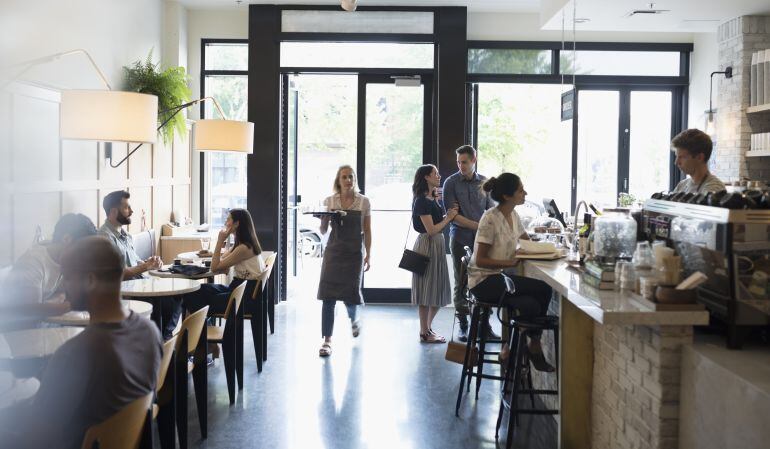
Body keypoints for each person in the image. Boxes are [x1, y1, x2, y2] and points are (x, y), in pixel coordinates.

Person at [1, 236, 162, 449]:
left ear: (90, 280)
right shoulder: (149, 332)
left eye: (67, 277)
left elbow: (36, 437)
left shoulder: (75, 354)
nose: (64, 287)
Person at [468, 173, 554, 372]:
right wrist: (510, 260)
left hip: (499, 277)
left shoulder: (514, 216)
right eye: (520, 190)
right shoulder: (490, 218)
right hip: (483, 281)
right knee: (543, 289)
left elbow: (526, 242)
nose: (525, 193)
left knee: (532, 304)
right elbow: (480, 260)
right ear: (507, 196)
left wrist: (548, 248)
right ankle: (531, 347)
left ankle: (512, 349)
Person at [98, 190, 179, 339]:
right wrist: (144, 267)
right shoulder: (104, 238)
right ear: (114, 211)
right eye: (126, 208)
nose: (131, 211)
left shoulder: (126, 236)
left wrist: (150, 263)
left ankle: (163, 341)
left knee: (177, 298)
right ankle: (161, 343)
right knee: (166, 302)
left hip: (141, 286)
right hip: (125, 294)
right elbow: (114, 274)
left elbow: (135, 262)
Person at [442, 145, 497, 342]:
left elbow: (491, 212)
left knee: (485, 279)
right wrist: (478, 226)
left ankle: (485, 325)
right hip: (459, 238)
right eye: (458, 162)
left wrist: (484, 230)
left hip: (482, 242)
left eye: (464, 162)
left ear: (474, 160)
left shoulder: (485, 182)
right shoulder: (451, 183)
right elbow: (452, 216)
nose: (460, 166)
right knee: (462, 281)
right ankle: (463, 325)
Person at [316, 165, 371, 357]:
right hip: (334, 253)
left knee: (350, 293)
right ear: (338, 181)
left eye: (351, 177)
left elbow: (368, 230)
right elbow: (323, 231)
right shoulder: (329, 201)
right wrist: (323, 220)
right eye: (344, 177)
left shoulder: (364, 202)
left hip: (354, 253)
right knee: (328, 296)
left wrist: (369, 254)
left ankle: (354, 320)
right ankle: (327, 340)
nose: (348, 180)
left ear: (354, 179)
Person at [2, 214, 96, 324]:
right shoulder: (33, 262)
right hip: (17, 331)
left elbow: (66, 293)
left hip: (41, 325)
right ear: (66, 239)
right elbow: (33, 310)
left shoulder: (63, 258)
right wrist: (73, 304)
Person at [183, 208, 266, 315]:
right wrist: (216, 255)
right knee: (197, 290)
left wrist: (220, 240)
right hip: (239, 288)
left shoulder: (244, 248)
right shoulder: (242, 243)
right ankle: (201, 326)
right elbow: (223, 259)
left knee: (194, 297)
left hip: (244, 295)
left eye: (228, 220)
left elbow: (214, 267)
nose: (225, 223)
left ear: (236, 224)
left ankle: (200, 327)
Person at [411, 164, 458, 343]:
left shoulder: (432, 198)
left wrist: (446, 214)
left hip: (436, 244)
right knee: (426, 290)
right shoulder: (422, 200)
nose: (439, 176)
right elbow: (431, 230)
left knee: (437, 290)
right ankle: (425, 331)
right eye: (435, 174)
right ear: (426, 178)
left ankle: (426, 330)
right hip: (428, 244)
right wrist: (449, 217)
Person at [671, 128, 725, 194]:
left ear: (699, 157)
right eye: (677, 156)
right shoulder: (681, 185)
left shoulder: (714, 189)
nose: (676, 162)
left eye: (682, 157)